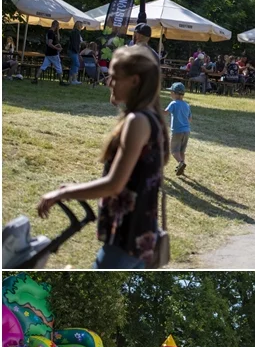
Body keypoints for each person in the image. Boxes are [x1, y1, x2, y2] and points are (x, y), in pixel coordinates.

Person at [37, 46, 169, 269]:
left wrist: (62, 193)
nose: (109, 83)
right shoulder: (152, 117)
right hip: (139, 238)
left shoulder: (137, 121)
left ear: (135, 81)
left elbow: (114, 185)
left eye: (115, 77)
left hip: (126, 240)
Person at [163, 82, 192, 177]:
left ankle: (181, 163)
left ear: (175, 93)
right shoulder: (187, 105)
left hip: (177, 131)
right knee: (181, 151)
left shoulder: (173, 103)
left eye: (171, 92)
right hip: (186, 131)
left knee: (174, 151)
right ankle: (181, 169)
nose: (170, 94)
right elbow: (190, 119)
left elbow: (165, 113)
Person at [32, 20, 66, 86]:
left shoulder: (49, 32)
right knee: (58, 67)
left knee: (43, 66)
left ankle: (35, 79)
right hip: (53, 53)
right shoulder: (51, 33)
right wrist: (57, 48)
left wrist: (57, 45)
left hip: (48, 53)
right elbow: (50, 44)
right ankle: (61, 81)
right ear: (56, 26)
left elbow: (51, 43)